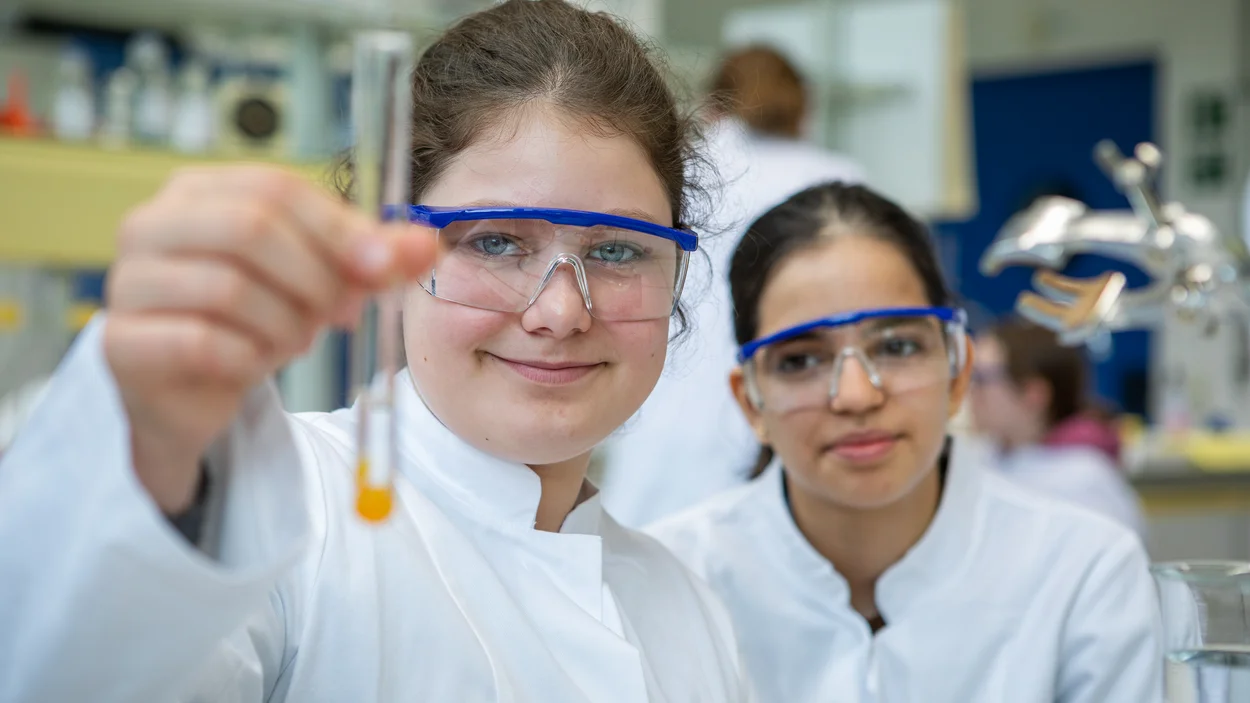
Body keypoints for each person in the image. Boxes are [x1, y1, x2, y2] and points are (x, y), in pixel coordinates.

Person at [0, 2, 753, 700]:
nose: (560, 311)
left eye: (619, 251)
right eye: (494, 241)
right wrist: (151, 444)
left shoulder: (685, 606)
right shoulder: (285, 513)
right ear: (392, 256)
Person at [648, 182, 1163, 702]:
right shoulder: (671, 584)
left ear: (958, 372)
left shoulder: (1082, 575)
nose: (856, 396)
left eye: (897, 346)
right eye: (801, 360)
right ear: (752, 401)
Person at [599, 44, 866, 527]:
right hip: (784, 411)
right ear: (804, 109)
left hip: (665, 407)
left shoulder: (686, 169)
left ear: (713, 105)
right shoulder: (839, 178)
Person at [968, 319, 1147, 540]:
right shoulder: (989, 456)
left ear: (1033, 394)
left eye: (981, 378)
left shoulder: (1081, 479)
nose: (970, 391)